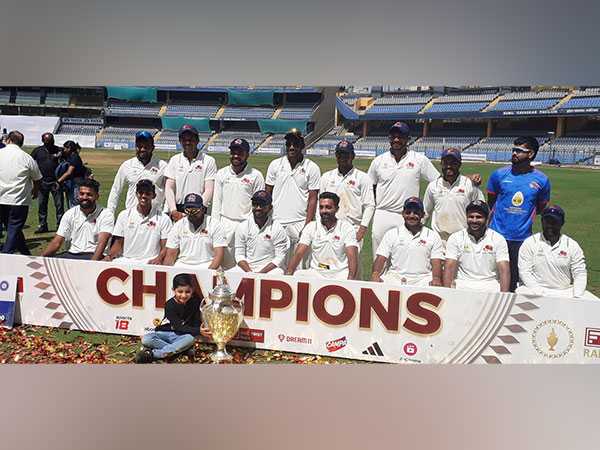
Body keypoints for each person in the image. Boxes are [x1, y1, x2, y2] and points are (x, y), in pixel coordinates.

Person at [367, 122, 440, 259]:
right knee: (379, 257)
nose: (396, 140)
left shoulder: (419, 160)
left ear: (408, 139)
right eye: (393, 136)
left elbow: (437, 181)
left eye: (400, 136)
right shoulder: (378, 161)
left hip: (407, 216)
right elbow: (369, 186)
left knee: (403, 258)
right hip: (382, 214)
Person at [487, 136, 551, 292]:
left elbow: (541, 207)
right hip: (496, 236)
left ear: (530, 154)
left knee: (514, 280)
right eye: (513, 149)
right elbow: (491, 202)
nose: (514, 153)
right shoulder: (498, 175)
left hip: (521, 239)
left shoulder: (542, 180)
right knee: (492, 278)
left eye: (519, 150)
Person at [517, 205, 598, 300]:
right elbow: (524, 272)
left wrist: (577, 296)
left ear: (562, 223)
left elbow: (580, 273)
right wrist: (540, 293)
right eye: (547, 221)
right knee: (520, 292)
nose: (549, 226)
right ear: (542, 222)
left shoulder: (571, 245)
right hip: (536, 290)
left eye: (554, 222)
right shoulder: (530, 243)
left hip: (564, 292)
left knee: (593, 302)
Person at [265, 129, 320, 264]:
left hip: (299, 222)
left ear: (302, 145)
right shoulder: (275, 165)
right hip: (277, 221)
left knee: (299, 267)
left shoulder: (312, 167)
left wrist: (307, 225)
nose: (291, 147)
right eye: (289, 144)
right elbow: (267, 194)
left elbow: (313, 199)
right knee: (276, 264)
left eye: (295, 144)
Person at [211, 138, 265, 267]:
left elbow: (259, 205)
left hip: (246, 224)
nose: (236, 156)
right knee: (224, 265)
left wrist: (253, 227)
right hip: (225, 223)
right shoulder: (222, 173)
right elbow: (217, 201)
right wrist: (215, 225)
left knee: (245, 264)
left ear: (247, 154)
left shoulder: (256, 176)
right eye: (233, 152)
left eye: (240, 153)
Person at [135, 274, 211, 363]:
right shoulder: (170, 304)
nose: (183, 295)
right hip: (166, 333)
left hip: (183, 336)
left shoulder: (195, 301)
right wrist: (198, 330)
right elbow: (178, 327)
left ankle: (154, 354)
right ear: (174, 290)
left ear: (192, 290)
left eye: (187, 292)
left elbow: (195, 322)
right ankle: (181, 350)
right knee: (146, 339)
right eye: (180, 291)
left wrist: (199, 330)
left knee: (190, 339)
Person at [371, 197, 444, 286]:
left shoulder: (432, 236)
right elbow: (381, 258)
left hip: (422, 279)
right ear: (403, 214)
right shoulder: (392, 234)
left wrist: (436, 278)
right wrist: (375, 274)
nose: (412, 216)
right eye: (408, 212)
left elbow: (436, 262)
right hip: (395, 278)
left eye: (416, 213)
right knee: (381, 280)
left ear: (423, 214)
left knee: (434, 283)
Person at [286, 192, 358, 280]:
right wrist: (288, 276)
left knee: (348, 278)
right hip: (316, 272)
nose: (324, 211)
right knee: (298, 275)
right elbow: (298, 253)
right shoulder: (311, 227)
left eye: (328, 207)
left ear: (337, 209)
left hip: (339, 273)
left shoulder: (346, 228)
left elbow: (352, 256)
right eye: (321, 207)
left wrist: (350, 282)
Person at [443, 200, 511, 292]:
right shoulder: (455, 238)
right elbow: (449, 267)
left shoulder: (498, 239)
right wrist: (447, 293)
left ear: (487, 219)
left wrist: (504, 296)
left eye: (479, 217)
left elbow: (504, 269)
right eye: (471, 217)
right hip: (463, 285)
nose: (474, 220)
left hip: (490, 285)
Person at [319, 140, 375, 249]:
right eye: (340, 154)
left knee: (353, 264)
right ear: (336, 156)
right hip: (330, 227)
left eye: (346, 154)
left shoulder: (363, 178)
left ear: (352, 156)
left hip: (353, 228)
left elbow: (370, 205)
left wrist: (362, 230)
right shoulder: (326, 177)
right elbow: (319, 204)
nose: (343, 157)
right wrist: (319, 227)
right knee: (330, 264)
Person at [42, 179, 114, 260]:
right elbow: (57, 242)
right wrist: (40, 260)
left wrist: (92, 264)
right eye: (82, 194)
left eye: (89, 194)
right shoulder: (70, 213)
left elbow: (102, 242)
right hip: (72, 254)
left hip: (94, 255)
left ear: (97, 196)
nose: (85, 197)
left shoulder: (106, 214)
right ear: (77, 195)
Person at [423, 148, 485, 242]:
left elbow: (482, 210)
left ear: (459, 164)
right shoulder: (433, 186)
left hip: (463, 239)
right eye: (445, 163)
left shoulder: (469, 184)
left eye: (453, 163)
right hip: (439, 239)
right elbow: (425, 213)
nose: (449, 166)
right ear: (441, 164)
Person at [105, 179, 172, 265]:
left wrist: (159, 258)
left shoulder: (163, 218)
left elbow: (165, 246)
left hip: (150, 261)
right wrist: (110, 256)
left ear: (154, 195)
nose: (144, 196)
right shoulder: (124, 215)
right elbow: (118, 244)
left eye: (148, 193)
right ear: (136, 194)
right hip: (127, 260)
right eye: (140, 192)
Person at [0, 131, 42, 254]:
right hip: (18, 199)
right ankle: (6, 255)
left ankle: (25, 253)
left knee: (12, 227)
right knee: (14, 227)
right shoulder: (26, 157)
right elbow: (38, 178)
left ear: (8, 140)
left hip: (1, 197)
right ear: (21, 143)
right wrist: (35, 190)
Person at [164, 125, 217, 222]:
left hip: (199, 211)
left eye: (191, 139)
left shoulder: (208, 161)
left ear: (197, 140)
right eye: (184, 139)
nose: (187, 142)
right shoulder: (174, 160)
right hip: (178, 210)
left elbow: (209, 189)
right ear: (180, 141)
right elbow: (169, 187)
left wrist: (196, 210)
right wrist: (173, 210)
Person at [106, 131, 167, 215]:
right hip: (131, 216)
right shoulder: (127, 165)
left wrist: (166, 211)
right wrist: (110, 213)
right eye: (139, 146)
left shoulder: (162, 166)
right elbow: (116, 190)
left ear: (152, 147)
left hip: (155, 217)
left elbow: (169, 191)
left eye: (146, 146)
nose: (142, 149)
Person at [230, 190, 289, 275]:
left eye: (262, 205)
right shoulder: (242, 226)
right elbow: (239, 255)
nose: (258, 208)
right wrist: (250, 272)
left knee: (278, 272)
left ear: (270, 207)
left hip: (269, 270)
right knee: (230, 273)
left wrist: (260, 274)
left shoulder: (277, 228)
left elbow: (279, 258)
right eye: (255, 204)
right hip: (247, 269)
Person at [163, 193, 227, 269]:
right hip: (182, 265)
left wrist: (208, 273)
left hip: (207, 265)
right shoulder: (178, 226)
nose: (191, 213)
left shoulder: (215, 224)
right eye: (188, 209)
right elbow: (170, 255)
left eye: (195, 209)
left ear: (203, 209)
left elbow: (219, 255)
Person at [30, 132, 64, 233]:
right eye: (47, 141)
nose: (49, 143)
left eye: (51, 141)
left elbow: (69, 160)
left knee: (59, 205)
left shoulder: (59, 150)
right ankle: (42, 225)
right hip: (42, 182)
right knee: (42, 205)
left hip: (56, 182)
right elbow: (30, 162)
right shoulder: (37, 150)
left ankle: (60, 226)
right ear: (43, 141)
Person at [56, 141, 88, 208]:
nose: (64, 150)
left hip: (76, 184)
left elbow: (69, 172)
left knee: (74, 205)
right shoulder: (71, 156)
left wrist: (58, 181)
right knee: (72, 204)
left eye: (65, 148)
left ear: (69, 148)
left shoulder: (74, 157)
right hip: (73, 183)